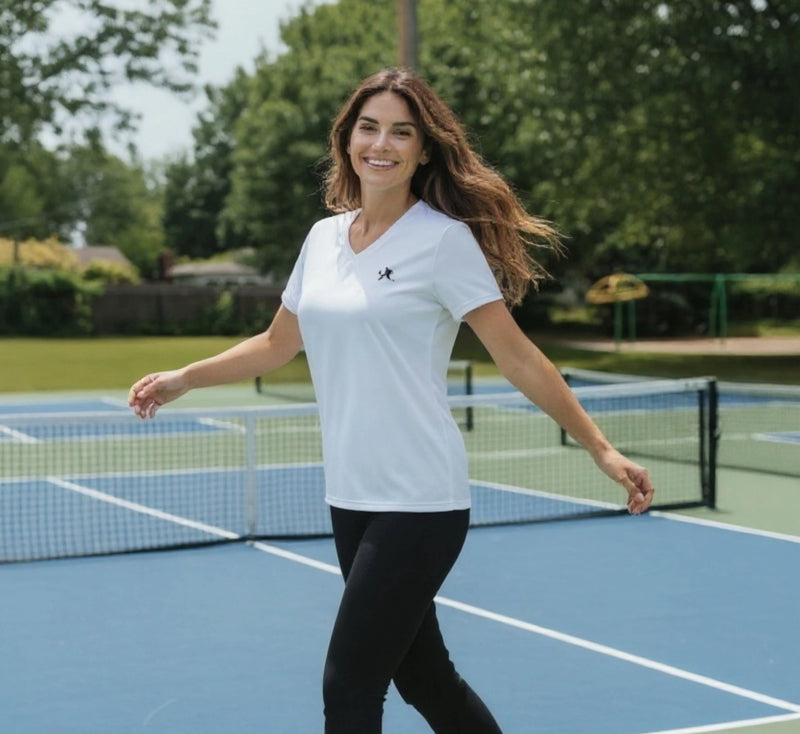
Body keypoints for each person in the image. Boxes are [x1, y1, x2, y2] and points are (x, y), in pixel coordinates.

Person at [129, 67, 654, 734]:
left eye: (401, 132)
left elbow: (517, 355)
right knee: (425, 678)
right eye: (368, 127)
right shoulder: (323, 240)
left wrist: (601, 449)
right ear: (347, 139)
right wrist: (182, 378)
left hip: (421, 500)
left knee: (347, 686)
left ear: (423, 150)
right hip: (351, 495)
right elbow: (275, 343)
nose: (382, 143)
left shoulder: (441, 241)